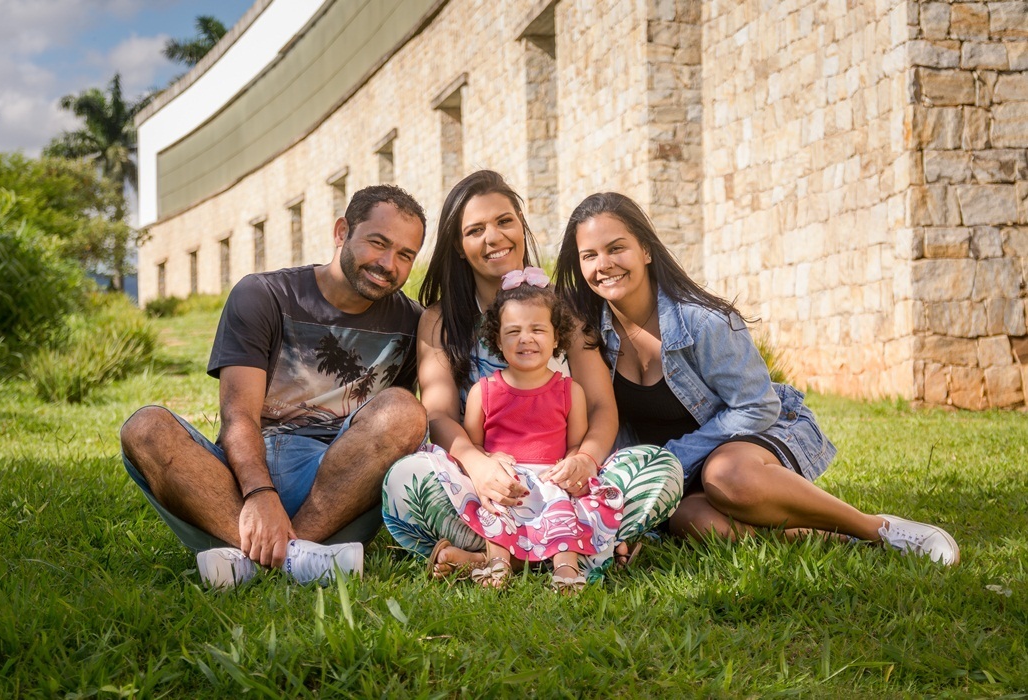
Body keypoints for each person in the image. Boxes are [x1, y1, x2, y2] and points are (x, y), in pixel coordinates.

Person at [554, 191, 960, 566]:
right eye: (589, 255)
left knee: (727, 477)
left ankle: (878, 528)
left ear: (645, 250)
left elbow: (756, 406)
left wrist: (671, 459)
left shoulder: (703, 322)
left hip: (748, 439)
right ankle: (835, 539)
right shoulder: (588, 331)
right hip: (679, 472)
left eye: (616, 248)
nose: (603, 264)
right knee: (692, 520)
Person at [120, 184, 430, 588]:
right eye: (378, 243)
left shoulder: (414, 323)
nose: (389, 264)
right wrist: (259, 493)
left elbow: (394, 431)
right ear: (342, 232)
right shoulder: (264, 294)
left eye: (405, 255)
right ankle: (303, 558)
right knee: (145, 428)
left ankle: (254, 559)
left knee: (405, 412)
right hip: (238, 480)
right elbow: (238, 416)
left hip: (336, 485)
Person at [382, 171, 684, 581]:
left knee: (660, 467)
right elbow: (438, 416)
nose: (494, 238)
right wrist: (478, 466)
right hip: (490, 485)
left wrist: (585, 460)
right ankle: (582, 551)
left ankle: (490, 557)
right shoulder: (441, 320)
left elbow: (601, 406)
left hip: (565, 481)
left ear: (521, 226)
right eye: (475, 230)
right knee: (406, 478)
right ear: (458, 245)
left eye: (504, 221)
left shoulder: (563, 308)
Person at [431, 267, 622, 593]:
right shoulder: (483, 392)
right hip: (507, 482)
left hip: (551, 481)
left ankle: (566, 569)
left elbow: (575, 446)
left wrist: (571, 464)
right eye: (513, 331)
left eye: (537, 329)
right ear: (497, 340)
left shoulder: (570, 391)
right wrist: (489, 459)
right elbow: (473, 446)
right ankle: (498, 564)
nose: (525, 339)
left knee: (562, 511)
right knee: (497, 509)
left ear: (556, 337)